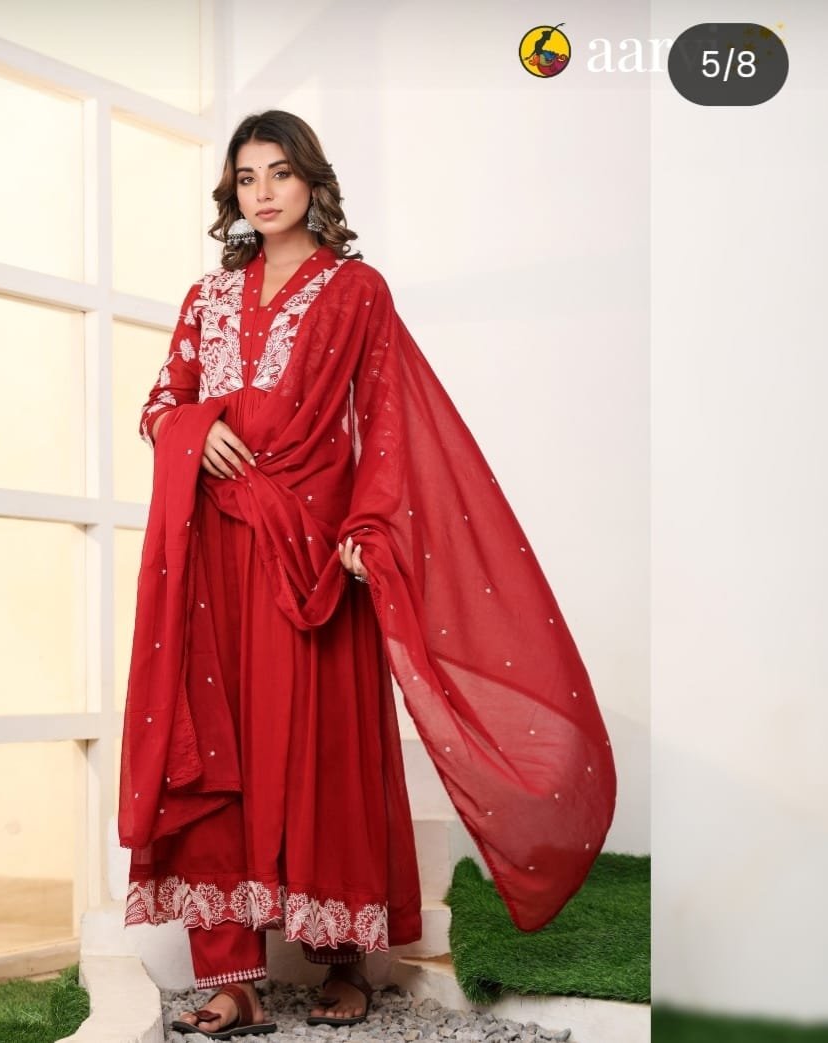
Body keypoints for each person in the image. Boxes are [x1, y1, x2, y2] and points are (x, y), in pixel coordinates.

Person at [118, 111, 616, 1039]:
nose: (263, 192)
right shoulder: (206, 297)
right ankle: (231, 979)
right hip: (214, 552)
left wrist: (369, 524)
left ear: (312, 181)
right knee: (216, 750)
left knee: (324, 748)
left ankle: (344, 960)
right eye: (246, 177)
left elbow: (385, 418)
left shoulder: (355, 289)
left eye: (279, 172)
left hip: (314, 552)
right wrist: (194, 429)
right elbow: (159, 401)